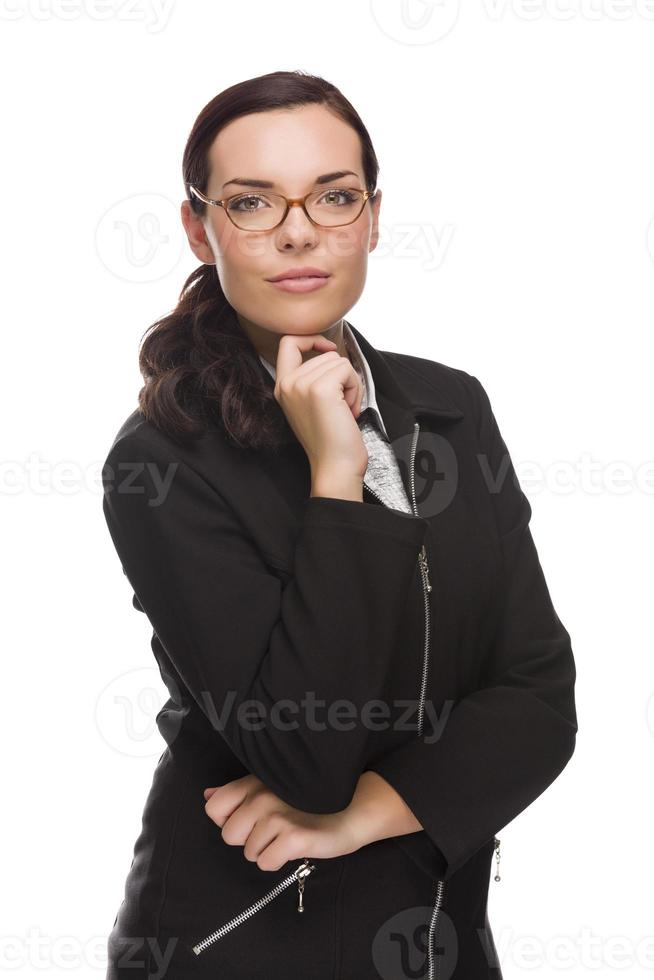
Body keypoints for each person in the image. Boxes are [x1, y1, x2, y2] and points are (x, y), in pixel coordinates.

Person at [100, 69, 578, 980]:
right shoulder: (163, 460)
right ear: (200, 228)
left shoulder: (450, 409)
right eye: (252, 202)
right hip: (239, 942)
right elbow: (301, 753)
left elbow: (539, 697)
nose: (298, 232)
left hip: (439, 937)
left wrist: (367, 812)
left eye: (333, 195)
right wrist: (335, 474)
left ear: (372, 214)